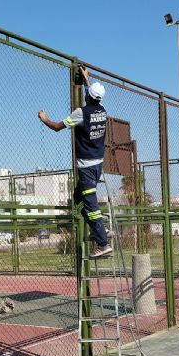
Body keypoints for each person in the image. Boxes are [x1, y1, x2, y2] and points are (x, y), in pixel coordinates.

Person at [37, 67, 112, 258]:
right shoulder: (102, 111)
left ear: (89, 97)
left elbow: (56, 127)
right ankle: (99, 231)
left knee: (91, 206)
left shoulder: (81, 113)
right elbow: (92, 96)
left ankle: (103, 243)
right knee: (78, 200)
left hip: (86, 167)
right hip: (97, 165)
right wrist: (87, 80)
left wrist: (44, 118)